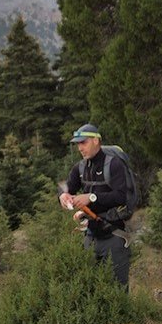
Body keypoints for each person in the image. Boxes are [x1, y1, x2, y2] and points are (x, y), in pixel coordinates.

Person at [58, 123, 131, 288]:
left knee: (118, 290)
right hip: (90, 237)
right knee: (89, 289)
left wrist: (91, 197)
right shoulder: (80, 167)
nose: (80, 148)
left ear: (96, 141)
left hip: (115, 235)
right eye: (78, 144)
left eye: (83, 142)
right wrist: (63, 196)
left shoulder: (114, 165)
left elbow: (121, 196)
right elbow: (67, 188)